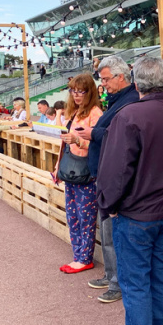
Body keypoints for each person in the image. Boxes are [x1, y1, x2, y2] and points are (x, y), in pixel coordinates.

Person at [96, 57, 163, 325]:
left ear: (135, 82)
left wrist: (109, 203)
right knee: (160, 276)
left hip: (137, 213)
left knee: (136, 283)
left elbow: (115, 169)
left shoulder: (130, 115)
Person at [77, 56, 139, 304]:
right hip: (104, 175)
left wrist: (94, 133)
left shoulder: (130, 100)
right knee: (108, 233)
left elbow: (119, 135)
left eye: (105, 79)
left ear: (120, 76)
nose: (102, 85)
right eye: (100, 80)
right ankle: (112, 275)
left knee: (114, 234)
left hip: (115, 179)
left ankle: (117, 282)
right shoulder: (119, 100)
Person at [53, 74, 104, 273]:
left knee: (86, 217)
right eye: (73, 90)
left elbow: (98, 144)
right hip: (70, 170)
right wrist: (57, 167)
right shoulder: (74, 112)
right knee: (73, 216)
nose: (76, 94)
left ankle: (84, 258)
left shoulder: (95, 113)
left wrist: (77, 141)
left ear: (89, 91)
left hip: (86, 172)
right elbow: (64, 143)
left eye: (80, 91)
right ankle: (78, 255)